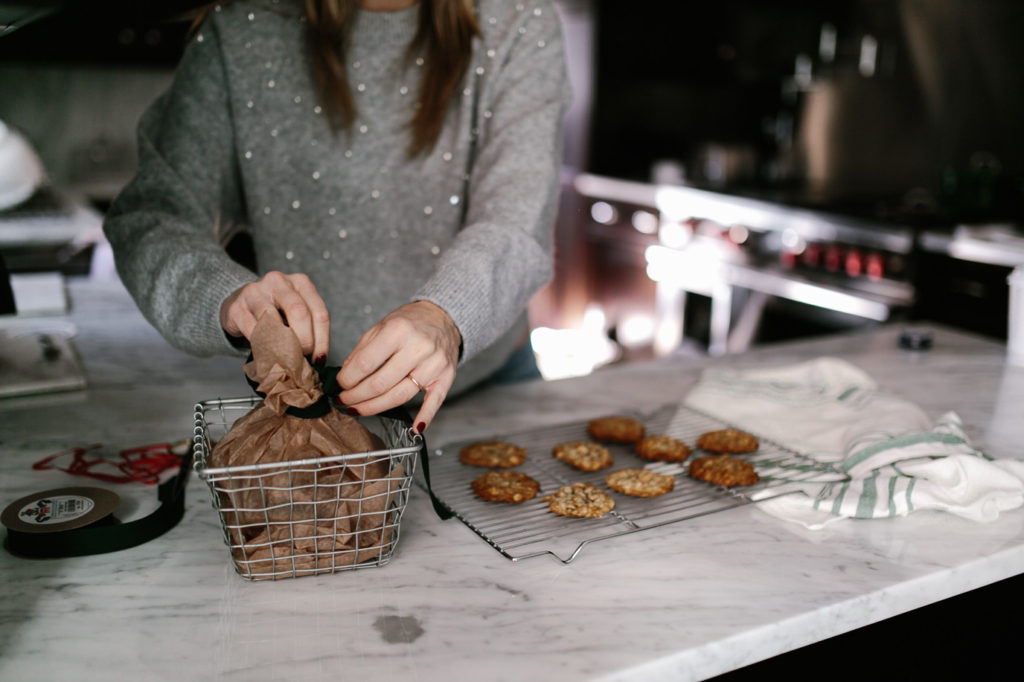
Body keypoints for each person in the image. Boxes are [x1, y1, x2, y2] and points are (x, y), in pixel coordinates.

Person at [103, 0, 570, 433]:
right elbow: (152, 215)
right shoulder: (244, 28)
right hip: (317, 405)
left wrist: (445, 316)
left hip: (490, 390)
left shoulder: (517, 19)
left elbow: (516, 215)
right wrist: (227, 297)